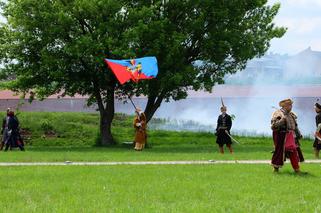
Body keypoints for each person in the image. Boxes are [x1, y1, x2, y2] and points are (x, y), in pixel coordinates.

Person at [271, 98, 302, 173]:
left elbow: (295, 126)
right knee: (279, 152)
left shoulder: (291, 114)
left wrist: (298, 134)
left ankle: (297, 169)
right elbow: (273, 126)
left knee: (293, 151)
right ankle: (275, 169)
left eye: (291, 105)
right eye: (289, 105)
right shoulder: (278, 114)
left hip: (291, 136)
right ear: (284, 106)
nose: (291, 107)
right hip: (281, 136)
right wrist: (282, 120)